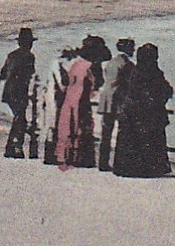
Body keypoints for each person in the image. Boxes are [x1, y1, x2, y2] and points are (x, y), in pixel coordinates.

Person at [112, 43, 173, 178]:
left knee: (131, 140)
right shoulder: (154, 72)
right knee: (149, 139)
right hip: (148, 113)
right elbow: (165, 90)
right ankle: (147, 168)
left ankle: (130, 167)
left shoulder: (134, 71)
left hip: (131, 112)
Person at [54, 35, 110, 168]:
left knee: (69, 127)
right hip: (82, 100)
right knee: (83, 127)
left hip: (70, 100)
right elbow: (97, 84)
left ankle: (66, 156)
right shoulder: (91, 67)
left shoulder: (75, 64)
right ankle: (81, 158)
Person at [0, 27, 37, 158]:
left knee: (18, 119)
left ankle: (11, 147)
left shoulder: (11, 55)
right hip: (19, 92)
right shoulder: (29, 56)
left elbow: (2, 74)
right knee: (20, 120)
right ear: (29, 43)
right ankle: (15, 147)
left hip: (8, 92)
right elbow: (30, 75)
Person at [97, 37, 136, 172]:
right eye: (132, 47)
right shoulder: (127, 65)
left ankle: (102, 162)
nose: (134, 50)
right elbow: (130, 83)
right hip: (118, 100)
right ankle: (118, 162)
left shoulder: (111, 62)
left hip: (106, 98)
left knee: (106, 132)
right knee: (122, 131)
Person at [42, 47, 77, 165]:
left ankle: (52, 154)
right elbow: (61, 84)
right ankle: (51, 155)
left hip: (54, 98)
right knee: (54, 124)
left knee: (54, 125)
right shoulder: (57, 65)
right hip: (54, 99)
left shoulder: (57, 64)